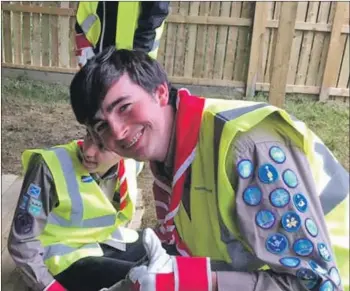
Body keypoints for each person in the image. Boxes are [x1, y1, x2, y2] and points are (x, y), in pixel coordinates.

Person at [69, 47, 349, 291]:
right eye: (102, 126)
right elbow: (193, 257)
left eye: (125, 107)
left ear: (161, 92)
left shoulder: (245, 149)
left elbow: (316, 285)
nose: (118, 132)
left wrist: (187, 283)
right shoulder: (169, 160)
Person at [8, 132, 146, 291]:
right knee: (140, 277)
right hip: (60, 260)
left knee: (161, 256)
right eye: (88, 136)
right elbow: (21, 242)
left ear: (124, 149)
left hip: (101, 240)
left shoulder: (130, 162)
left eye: (102, 146)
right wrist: (51, 288)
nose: (88, 151)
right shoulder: (49, 166)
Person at [75, 1, 169, 67]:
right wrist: (82, 39)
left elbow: (156, 12)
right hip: (93, 50)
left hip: (133, 55)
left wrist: (139, 56)